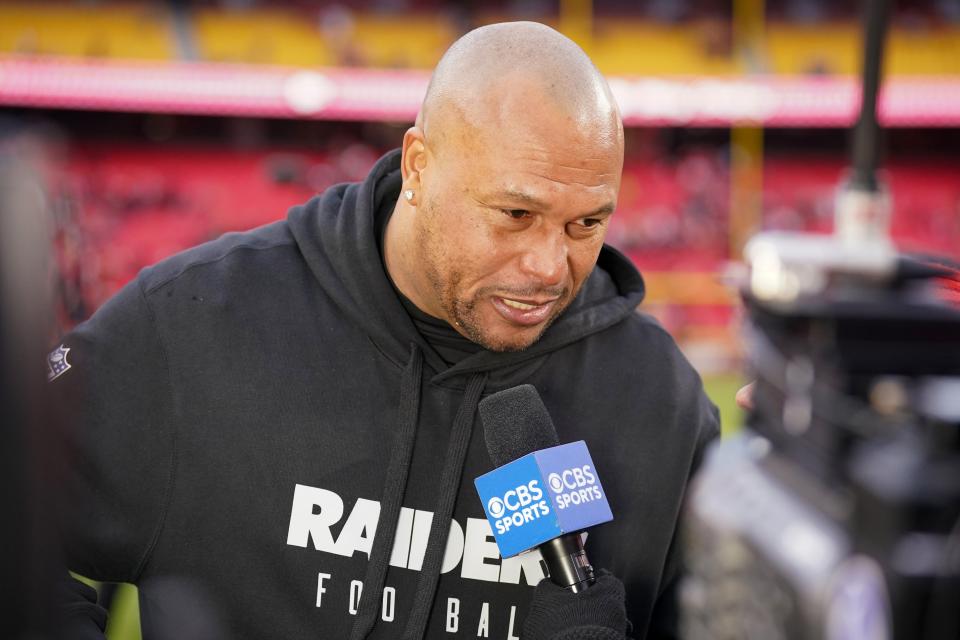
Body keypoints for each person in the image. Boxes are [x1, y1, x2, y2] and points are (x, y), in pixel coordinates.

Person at [56, 21, 719, 640]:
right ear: (419, 166)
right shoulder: (197, 320)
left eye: (586, 225)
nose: (549, 266)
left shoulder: (662, 406)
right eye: (516, 213)